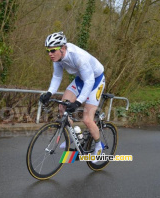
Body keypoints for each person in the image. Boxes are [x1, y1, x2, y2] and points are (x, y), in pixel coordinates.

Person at [39, 31, 105, 161]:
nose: (50, 54)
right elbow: (57, 76)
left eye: (52, 50)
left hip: (95, 80)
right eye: (48, 51)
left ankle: (98, 146)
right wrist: (49, 93)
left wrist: (78, 102)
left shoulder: (78, 56)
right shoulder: (57, 58)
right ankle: (75, 139)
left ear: (63, 48)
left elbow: (90, 81)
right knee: (62, 106)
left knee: (87, 119)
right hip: (81, 79)